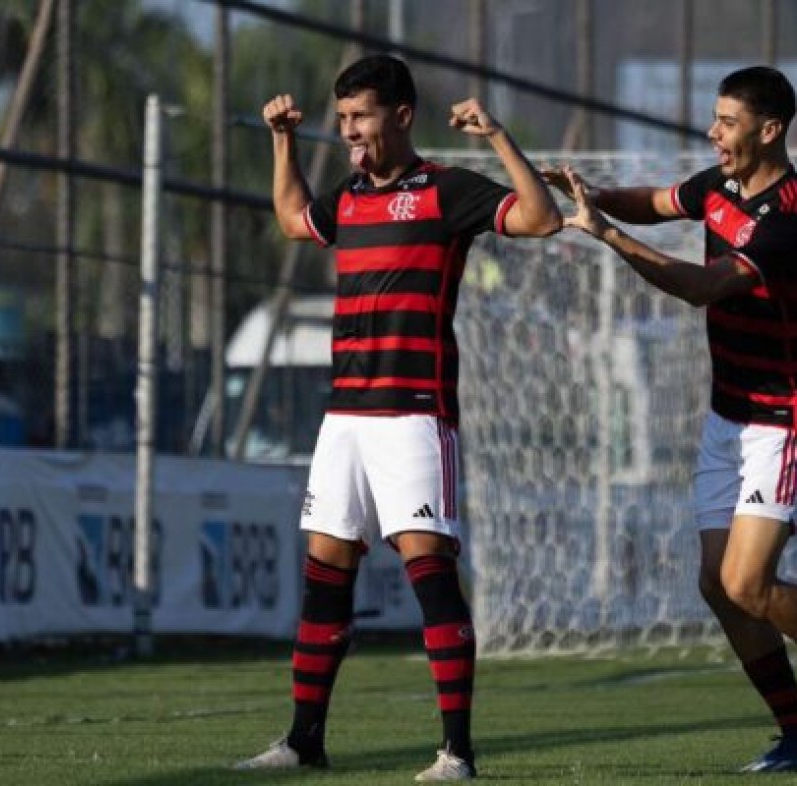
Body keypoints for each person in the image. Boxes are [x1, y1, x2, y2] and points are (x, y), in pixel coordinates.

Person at [546, 66, 797, 772]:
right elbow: (656, 200)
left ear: (770, 131)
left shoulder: (796, 219)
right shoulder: (719, 184)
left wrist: (606, 236)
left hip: (785, 418)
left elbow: (702, 286)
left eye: (728, 122)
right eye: (714, 119)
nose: (714, 133)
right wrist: (588, 196)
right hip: (729, 415)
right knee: (718, 584)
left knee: (747, 583)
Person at [234, 54, 560, 781]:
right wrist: (284, 141)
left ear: (402, 116)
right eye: (342, 118)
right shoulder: (347, 198)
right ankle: (303, 741)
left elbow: (540, 218)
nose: (349, 132)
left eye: (361, 118)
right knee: (325, 576)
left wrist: (498, 136)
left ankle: (457, 753)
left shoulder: (447, 192)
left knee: (429, 574)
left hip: (414, 416)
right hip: (343, 420)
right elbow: (292, 218)